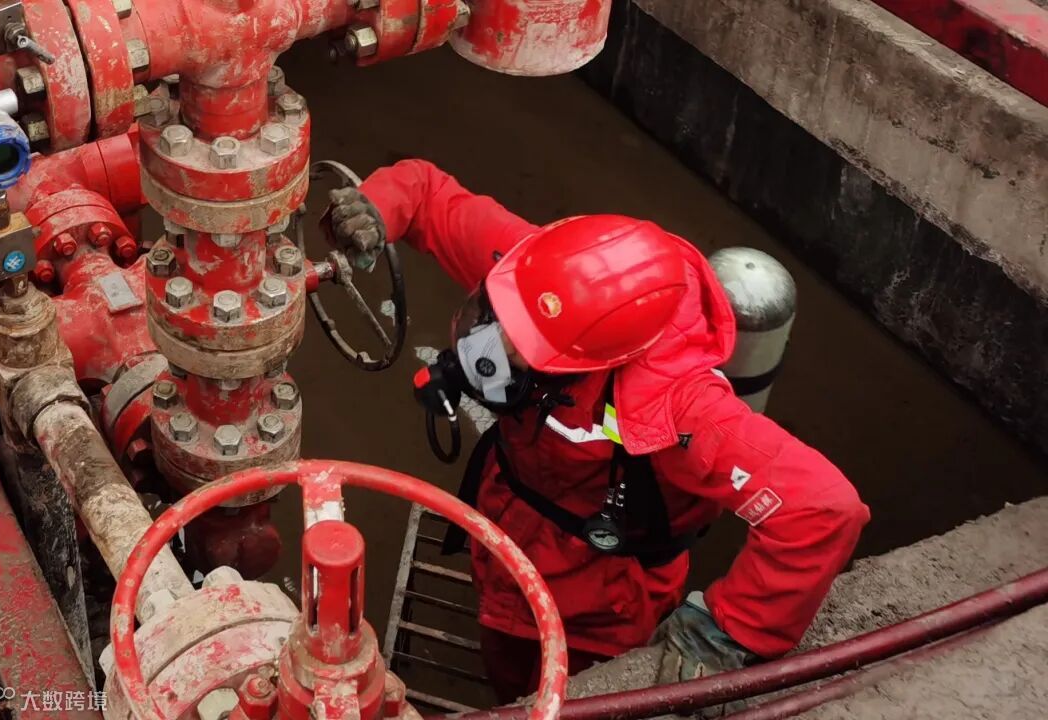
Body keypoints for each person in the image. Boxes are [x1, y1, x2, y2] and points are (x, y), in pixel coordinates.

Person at [321, 159, 870, 703]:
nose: (493, 347)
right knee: (506, 665)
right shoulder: (537, 278)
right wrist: (378, 207)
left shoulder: (679, 407)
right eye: (496, 320)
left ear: (582, 361)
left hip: (601, 602)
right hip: (508, 526)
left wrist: (729, 627)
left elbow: (820, 508)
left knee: (565, 695)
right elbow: (428, 194)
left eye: (518, 346)